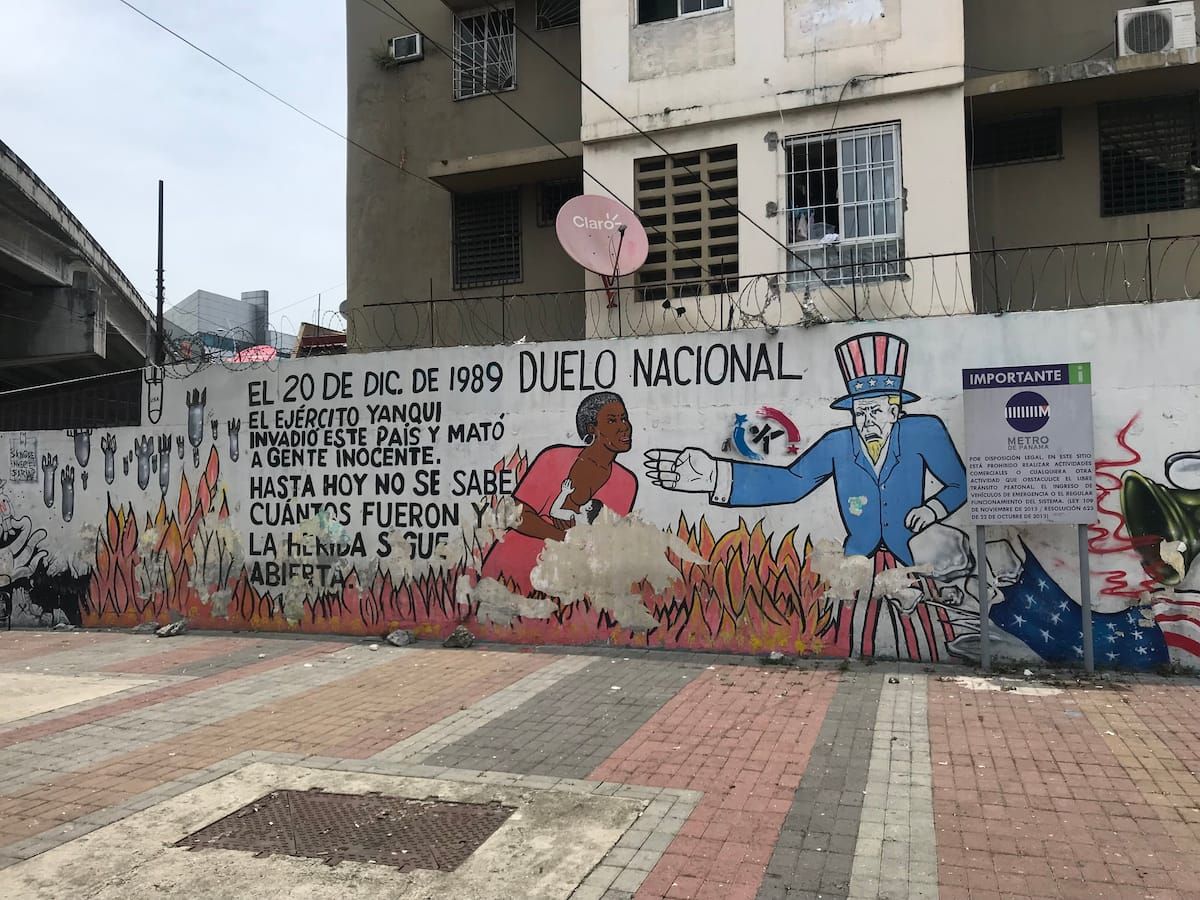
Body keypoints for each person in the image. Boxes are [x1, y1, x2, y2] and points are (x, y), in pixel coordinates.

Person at [645, 332, 967, 658]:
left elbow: (960, 484)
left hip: (911, 556)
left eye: (875, 411)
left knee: (926, 634)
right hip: (859, 560)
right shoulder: (838, 442)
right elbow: (792, 482)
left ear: (895, 411)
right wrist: (715, 475)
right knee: (854, 636)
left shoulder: (924, 431)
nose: (866, 420)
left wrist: (933, 509)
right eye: (860, 412)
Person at [480, 392, 637, 596]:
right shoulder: (553, 458)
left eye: (624, 418)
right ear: (592, 429)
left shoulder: (626, 482)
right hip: (517, 569)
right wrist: (565, 538)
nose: (623, 426)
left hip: (570, 584)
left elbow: (609, 541)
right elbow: (517, 515)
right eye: (612, 420)